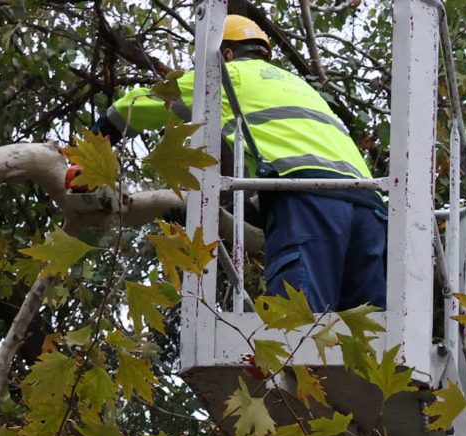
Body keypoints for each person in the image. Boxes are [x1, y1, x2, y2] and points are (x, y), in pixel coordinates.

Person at [100, 12, 387, 313]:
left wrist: (94, 144)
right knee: (366, 342)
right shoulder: (302, 87)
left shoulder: (229, 74)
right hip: (369, 209)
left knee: (297, 331)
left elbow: (137, 104)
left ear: (227, 53)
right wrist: (233, 214)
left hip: (308, 200)